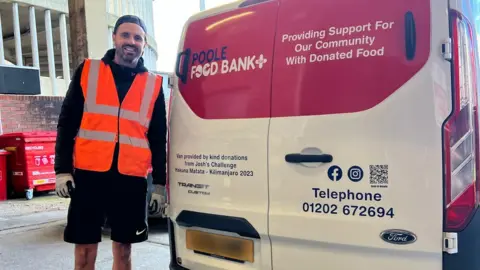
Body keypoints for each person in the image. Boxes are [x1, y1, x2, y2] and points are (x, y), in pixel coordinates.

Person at [54, 15, 167, 270]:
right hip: (89, 176)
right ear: (115, 38)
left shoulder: (153, 84)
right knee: (84, 252)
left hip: (130, 178)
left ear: (144, 44)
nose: (131, 41)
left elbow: (159, 137)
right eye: (125, 35)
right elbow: (66, 123)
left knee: (124, 253)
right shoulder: (88, 70)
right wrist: (62, 171)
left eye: (137, 37)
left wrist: (159, 184)